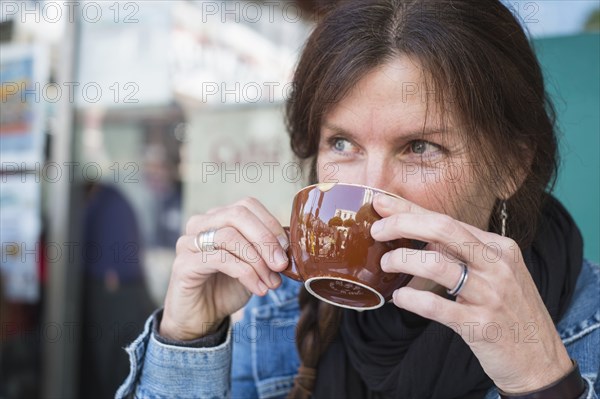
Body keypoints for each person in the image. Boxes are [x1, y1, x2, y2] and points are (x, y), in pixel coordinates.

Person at [116, 1, 600, 398]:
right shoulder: (279, 309)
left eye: (420, 147)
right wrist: (187, 339)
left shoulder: (585, 320)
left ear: (510, 168)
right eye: (342, 144)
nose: (375, 190)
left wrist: (543, 381)